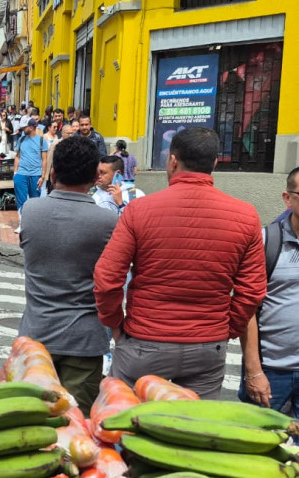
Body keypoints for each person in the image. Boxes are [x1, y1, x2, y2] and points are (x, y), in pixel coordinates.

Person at [94, 127, 267, 398]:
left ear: (173, 161)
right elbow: (252, 291)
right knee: (193, 422)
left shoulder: (139, 210)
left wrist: (116, 325)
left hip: (145, 339)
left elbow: (107, 278)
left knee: (126, 417)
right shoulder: (246, 216)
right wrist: (226, 328)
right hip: (207, 346)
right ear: (214, 163)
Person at [18, 137, 118, 412]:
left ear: (52, 173)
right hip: (84, 340)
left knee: (33, 422)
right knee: (76, 423)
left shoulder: (31, 210)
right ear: (95, 177)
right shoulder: (107, 221)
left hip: (36, 337)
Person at [239, 167, 299, 413]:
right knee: (256, 435)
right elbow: (246, 307)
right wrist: (254, 370)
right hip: (272, 371)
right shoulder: (266, 241)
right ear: (287, 198)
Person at [13, 118, 49, 230]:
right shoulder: (21, 140)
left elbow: (44, 160)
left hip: (36, 175)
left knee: (34, 201)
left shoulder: (42, 141)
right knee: (21, 200)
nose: (23, 130)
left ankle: (33, 225)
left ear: (31, 127)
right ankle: (22, 224)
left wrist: (42, 176)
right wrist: (15, 173)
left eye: (24, 127)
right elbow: (17, 156)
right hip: (21, 174)